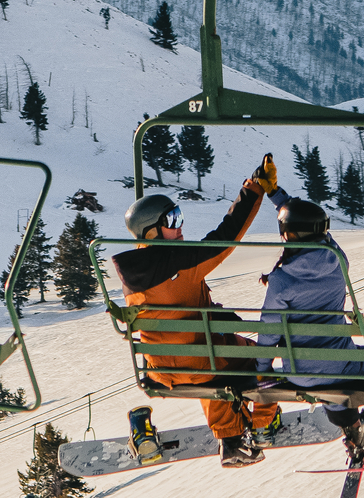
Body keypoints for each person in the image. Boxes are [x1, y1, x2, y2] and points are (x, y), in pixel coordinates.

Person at [114, 153, 282, 465]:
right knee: (260, 358)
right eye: (171, 221)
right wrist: (255, 187)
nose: (179, 227)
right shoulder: (179, 263)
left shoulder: (133, 275)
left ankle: (231, 438)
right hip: (202, 365)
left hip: (163, 371)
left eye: (179, 216)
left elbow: (180, 311)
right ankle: (260, 425)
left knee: (207, 352)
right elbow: (227, 236)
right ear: (151, 230)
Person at [257, 191, 364, 466]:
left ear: (288, 235)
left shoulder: (281, 280)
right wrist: (280, 197)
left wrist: (262, 372)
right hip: (341, 366)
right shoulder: (338, 263)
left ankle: (353, 428)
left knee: (327, 382)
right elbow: (327, 241)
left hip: (299, 374)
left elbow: (269, 331)